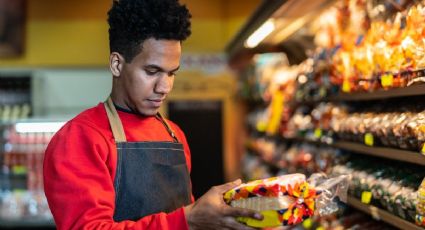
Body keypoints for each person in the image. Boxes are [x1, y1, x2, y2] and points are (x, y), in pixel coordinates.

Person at [43, 0, 263, 229]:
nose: (165, 87)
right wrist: (187, 220)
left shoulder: (174, 135)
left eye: (172, 73)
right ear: (117, 64)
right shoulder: (80, 139)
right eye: (152, 71)